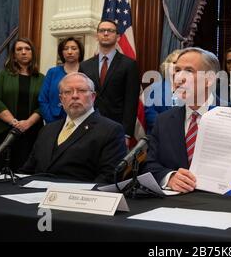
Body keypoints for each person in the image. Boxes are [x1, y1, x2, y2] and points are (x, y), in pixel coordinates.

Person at [21, 72, 127, 183]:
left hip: (79, 198)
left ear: (93, 96)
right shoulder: (47, 130)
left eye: (81, 91)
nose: (75, 96)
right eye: (68, 92)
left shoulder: (110, 130)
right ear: (61, 99)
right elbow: (27, 170)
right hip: (35, 196)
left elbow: (108, 178)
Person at [141, 47, 220, 193]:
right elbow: (149, 165)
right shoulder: (163, 120)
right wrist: (169, 177)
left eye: (189, 71)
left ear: (209, 80)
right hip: (175, 204)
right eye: (177, 70)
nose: (179, 78)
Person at [0, 38, 44, 171]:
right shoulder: (4, 74)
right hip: (1, 132)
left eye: (27, 49)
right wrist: (14, 122)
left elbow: (44, 104)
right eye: (19, 49)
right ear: (14, 55)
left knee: (22, 176)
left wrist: (27, 123)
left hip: (29, 134)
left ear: (32, 53)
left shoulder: (41, 78)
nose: (23, 52)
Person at [79, 19, 140, 145]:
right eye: (102, 31)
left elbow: (131, 101)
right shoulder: (85, 66)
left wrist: (127, 133)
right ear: (97, 36)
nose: (105, 33)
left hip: (116, 128)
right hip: (88, 125)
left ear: (118, 36)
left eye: (110, 31)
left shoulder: (129, 65)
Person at [38, 37, 85, 123]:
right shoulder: (52, 72)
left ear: (80, 52)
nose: (69, 52)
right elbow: (43, 100)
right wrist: (51, 120)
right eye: (65, 49)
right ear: (61, 53)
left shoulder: (87, 71)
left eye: (74, 48)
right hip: (54, 120)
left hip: (81, 120)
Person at [143, 49, 181, 134]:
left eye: (180, 63)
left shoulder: (190, 90)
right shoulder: (155, 88)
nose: (177, 66)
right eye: (174, 62)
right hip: (160, 136)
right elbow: (150, 115)